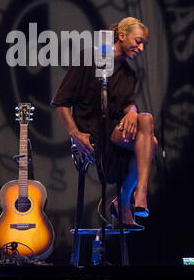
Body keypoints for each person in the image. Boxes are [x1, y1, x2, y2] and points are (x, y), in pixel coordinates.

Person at [51, 17, 158, 229]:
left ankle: (139, 194)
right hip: (90, 130)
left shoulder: (129, 74)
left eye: (144, 45)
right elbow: (61, 101)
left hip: (114, 130)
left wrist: (133, 111)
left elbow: (128, 103)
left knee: (146, 119)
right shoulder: (91, 57)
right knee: (151, 144)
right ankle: (124, 200)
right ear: (121, 35)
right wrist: (74, 133)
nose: (140, 48)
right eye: (138, 41)